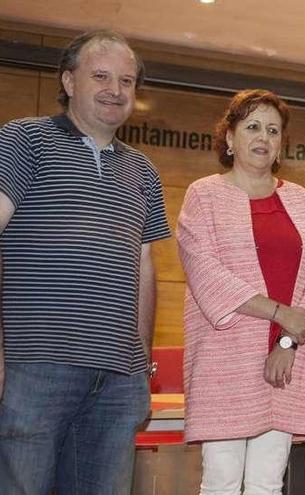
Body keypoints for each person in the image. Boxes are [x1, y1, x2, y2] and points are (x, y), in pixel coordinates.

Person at [0, 30, 171, 492]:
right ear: (69, 81)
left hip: (118, 381)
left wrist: (142, 365)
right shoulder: (23, 141)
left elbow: (145, 270)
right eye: (100, 75)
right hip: (33, 368)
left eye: (127, 80)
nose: (115, 90)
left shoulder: (144, 171)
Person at [177, 89, 305, 494]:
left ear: (282, 142)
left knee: (267, 483)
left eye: (272, 129)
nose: (263, 137)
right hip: (224, 363)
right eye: (251, 127)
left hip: (287, 361)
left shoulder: (302, 201)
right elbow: (206, 273)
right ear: (229, 138)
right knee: (221, 482)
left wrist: (287, 340)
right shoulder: (203, 195)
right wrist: (281, 313)